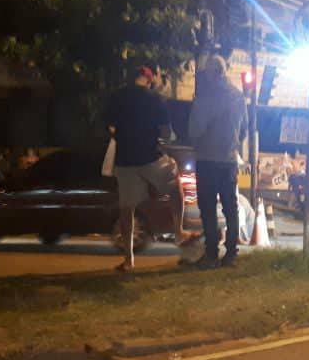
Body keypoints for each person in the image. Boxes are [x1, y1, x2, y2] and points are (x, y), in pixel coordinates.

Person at [105, 65, 182, 273]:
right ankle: (179, 233)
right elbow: (166, 133)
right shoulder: (155, 99)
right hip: (150, 156)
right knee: (176, 187)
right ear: (148, 80)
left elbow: (110, 128)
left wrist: (123, 135)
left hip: (125, 159)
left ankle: (129, 259)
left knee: (127, 209)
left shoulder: (116, 97)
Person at [188, 55, 248, 269]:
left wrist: (199, 142)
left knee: (207, 208)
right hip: (228, 160)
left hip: (207, 159)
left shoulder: (204, 97)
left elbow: (195, 130)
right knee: (230, 208)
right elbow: (244, 130)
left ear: (211, 73)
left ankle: (211, 253)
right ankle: (231, 254)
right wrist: (231, 145)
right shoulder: (238, 96)